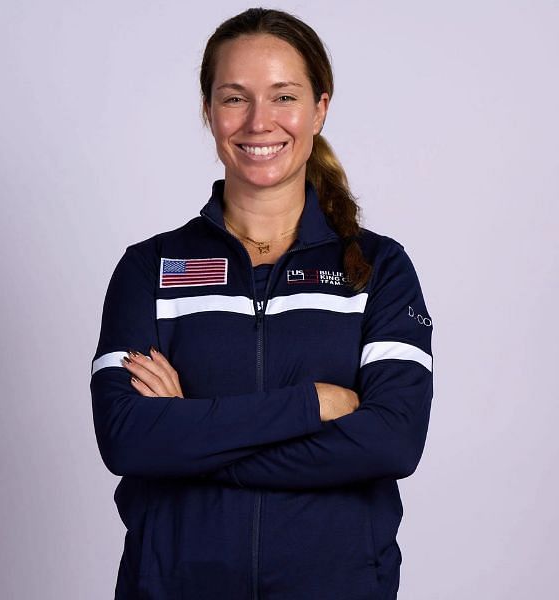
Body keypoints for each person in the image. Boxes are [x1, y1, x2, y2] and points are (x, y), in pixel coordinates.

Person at [90, 8, 432, 599]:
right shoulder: (149, 267)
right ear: (207, 110)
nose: (258, 122)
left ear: (320, 107)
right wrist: (310, 405)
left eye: (283, 96)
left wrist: (191, 438)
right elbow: (127, 438)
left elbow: (393, 441)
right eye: (234, 98)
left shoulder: (380, 269)